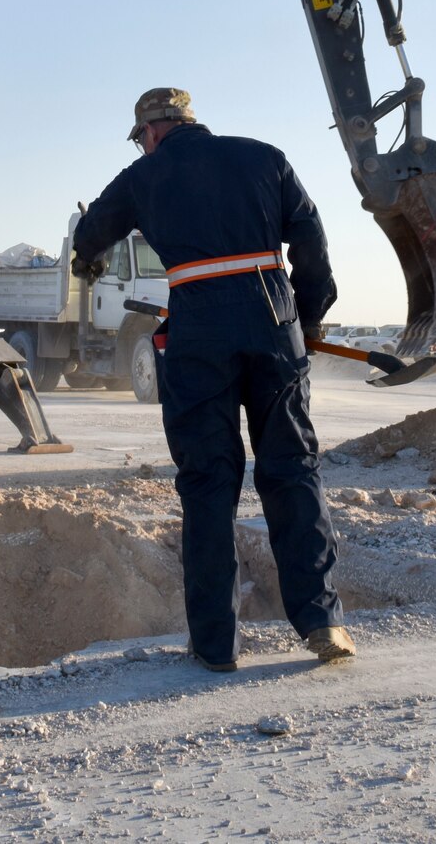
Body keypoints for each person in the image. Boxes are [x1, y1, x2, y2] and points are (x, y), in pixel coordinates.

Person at [73, 87, 354, 672]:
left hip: (198, 329)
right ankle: (323, 620)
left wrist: (87, 259)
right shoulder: (264, 156)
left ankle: (216, 644)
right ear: (188, 120)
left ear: (151, 130)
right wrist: (304, 319)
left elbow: (90, 233)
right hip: (272, 321)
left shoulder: (143, 175)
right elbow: (313, 245)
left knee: (208, 483)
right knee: (292, 470)